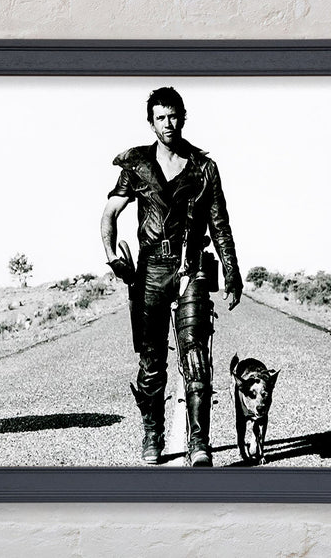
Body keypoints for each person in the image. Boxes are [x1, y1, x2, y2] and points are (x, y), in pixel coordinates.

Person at [100, 87, 242, 467]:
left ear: (183, 117)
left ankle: (199, 442)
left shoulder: (203, 168)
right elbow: (110, 213)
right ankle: (153, 434)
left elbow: (220, 225)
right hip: (150, 273)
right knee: (151, 363)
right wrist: (112, 256)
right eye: (160, 117)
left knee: (196, 357)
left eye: (173, 116)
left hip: (191, 269)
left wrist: (232, 274)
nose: (167, 124)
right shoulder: (137, 166)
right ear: (151, 123)